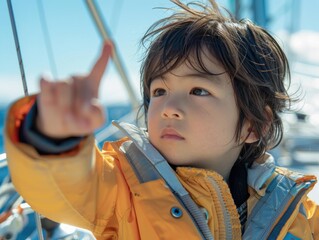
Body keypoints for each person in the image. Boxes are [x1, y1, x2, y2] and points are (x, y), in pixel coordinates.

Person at [4, 0, 319, 239]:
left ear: (254, 126)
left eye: (198, 90)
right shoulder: (120, 186)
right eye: (159, 90)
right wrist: (53, 137)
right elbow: (63, 188)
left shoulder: (295, 210)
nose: (169, 107)